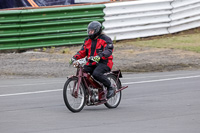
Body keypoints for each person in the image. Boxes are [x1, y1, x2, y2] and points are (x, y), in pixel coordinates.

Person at [69, 21, 115, 99]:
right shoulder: (87, 40)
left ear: (97, 31)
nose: (90, 33)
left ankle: (110, 87)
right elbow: (82, 52)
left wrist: (100, 56)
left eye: (92, 31)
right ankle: (89, 89)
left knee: (96, 73)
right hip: (92, 62)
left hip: (104, 62)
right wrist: (74, 57)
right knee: (83, 72)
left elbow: (109, 50)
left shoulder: (106, 39)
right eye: (89, 31)